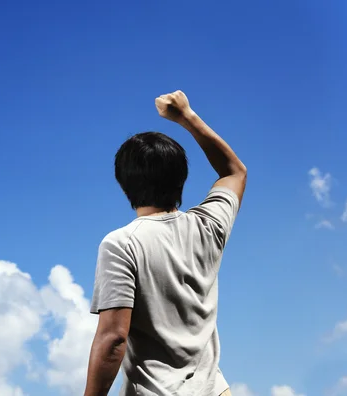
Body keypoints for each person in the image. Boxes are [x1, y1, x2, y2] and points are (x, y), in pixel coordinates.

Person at [84, 90, 247, 396]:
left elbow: (113, 340)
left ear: (124, 183)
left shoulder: (121, 244)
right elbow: (234, 171)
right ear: (181, 178)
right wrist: (186, 116)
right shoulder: (208, 226)